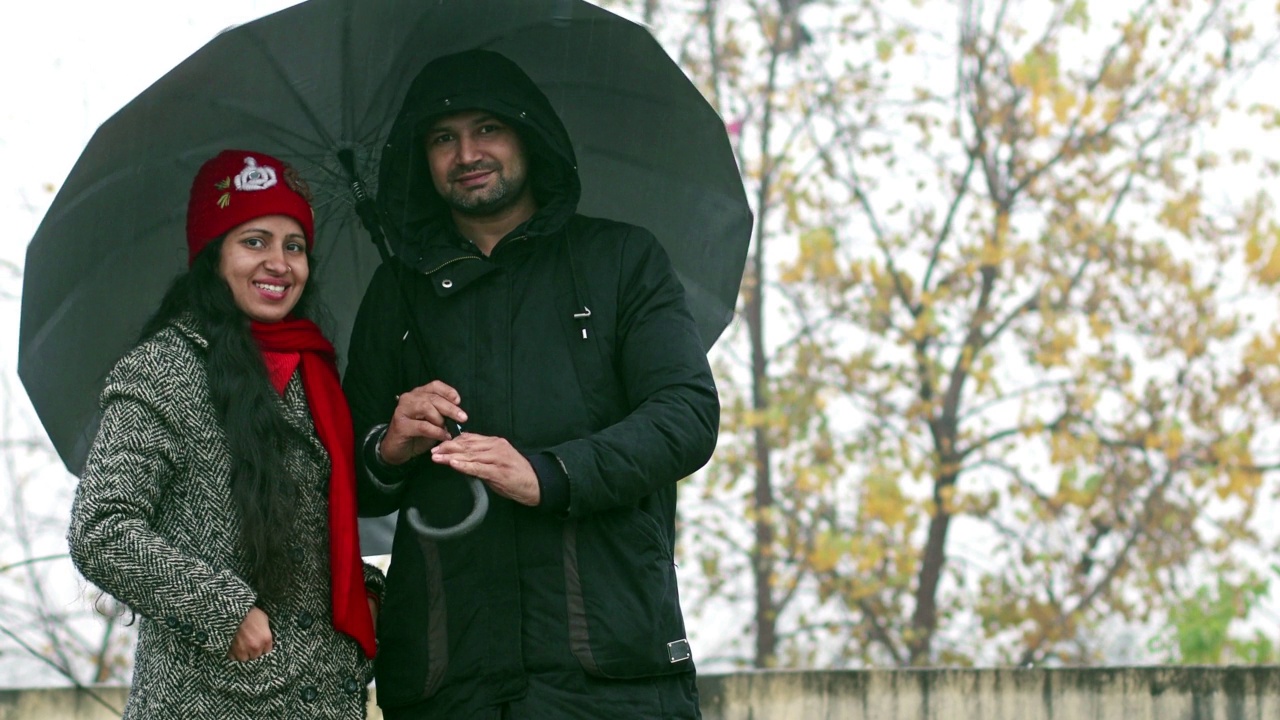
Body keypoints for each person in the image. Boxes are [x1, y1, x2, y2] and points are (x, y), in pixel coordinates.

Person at [343, 49, 718, 719]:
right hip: (447, 679)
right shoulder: (395, 292)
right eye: (441, 138)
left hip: (612, 674)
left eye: (488, 127)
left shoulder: (622, 260)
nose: (466, 152)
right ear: (420, 161)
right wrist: (387, 445)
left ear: (528, 136)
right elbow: (344, 470)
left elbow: (685, 416)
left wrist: (554, 474)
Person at [68, 149, 383, 718]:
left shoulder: (313, 371)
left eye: (295, 246)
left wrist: (368, 595)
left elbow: (307, 541)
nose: (280, 263)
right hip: (212, 698)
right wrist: (222, 610)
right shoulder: (166, 368)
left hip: (323, 698)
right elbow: (101, 529)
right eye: (255, 241)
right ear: (214, 256)